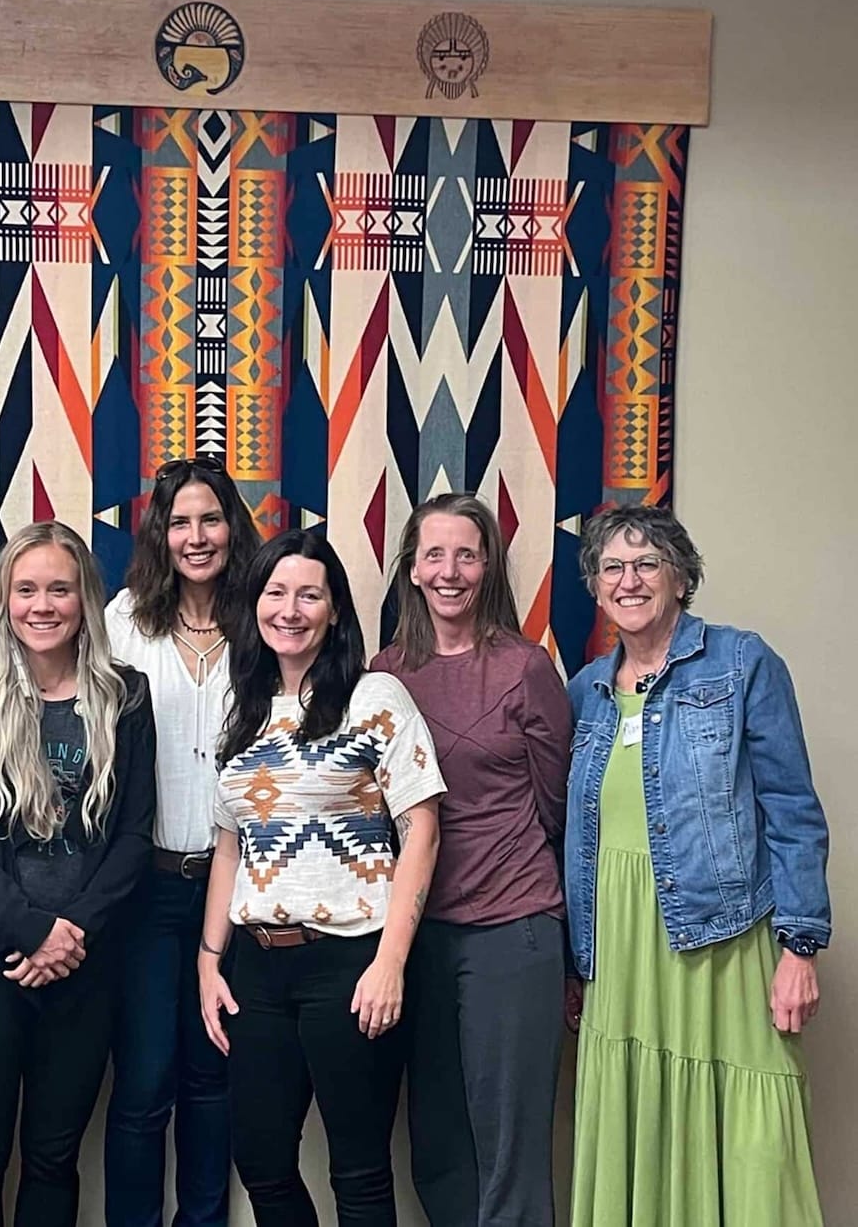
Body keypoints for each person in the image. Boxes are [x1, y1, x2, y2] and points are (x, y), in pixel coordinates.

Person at [565, 504, 828, 1226]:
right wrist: (574, 960)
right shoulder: (585, 691)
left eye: (647, 563)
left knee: (748, 1128)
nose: (629, 580)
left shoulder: (742, 663)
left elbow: (793, 809)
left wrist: (800, 946)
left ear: (681, 578)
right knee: (637, 1118)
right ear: (596, 587)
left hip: (722, 936)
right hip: (617, 948)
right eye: (612, 567)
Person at [198, 529, 446, 1227]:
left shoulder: (374, 696)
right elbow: (230, 846)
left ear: (335, 610)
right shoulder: (242, 709)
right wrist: (209, 961)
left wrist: (390, 963)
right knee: (262, 1163)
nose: (290, 609)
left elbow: (422, 830)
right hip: (257, 969)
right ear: (254, 604)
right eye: (275, 592)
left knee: (359, 1173)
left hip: (352, 961)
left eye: (309, 595)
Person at [0, 520, 157, 1226]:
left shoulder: (127, 696)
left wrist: (69, 933)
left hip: (82, 964)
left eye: (60, 589)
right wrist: (29, 930)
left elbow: (133, 837)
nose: (43, 606)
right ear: (5, 599)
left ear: (86, 599)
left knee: (55, 1159)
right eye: (26, 590)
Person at [370, 492, 570, 1226]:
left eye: (467, 555)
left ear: (487, 568)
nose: (449, 571)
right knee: (437, 1145)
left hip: (514, 929)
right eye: (435, 555)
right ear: (412, 569)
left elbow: (557, 806)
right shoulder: (385, 674)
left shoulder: (526, 668)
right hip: (419, 937)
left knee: (508, 1146)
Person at [103, 455, 260, 1227]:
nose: (196, 537)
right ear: (159, 536)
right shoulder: (125, 622)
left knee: (212, 1076)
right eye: (180, 523)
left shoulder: (263, 620)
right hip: (146, 886)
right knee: (143, 1082)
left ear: (233, 528)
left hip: (239, 889)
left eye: (211, 519)